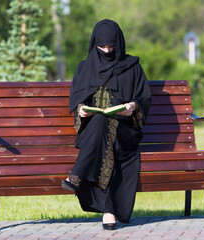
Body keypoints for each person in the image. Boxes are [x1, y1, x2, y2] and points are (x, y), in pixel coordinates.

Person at [61, 19, 152, 230]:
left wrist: (133, 107)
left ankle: (76, 176)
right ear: (95, 45)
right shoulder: (84, 68)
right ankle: (109, 211)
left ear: (118, 44)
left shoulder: (132, 67)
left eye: (111, 47)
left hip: (124, 132)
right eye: (102, 47)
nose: (107, 50)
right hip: (92, 132)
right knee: (100, 121)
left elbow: (144, 99)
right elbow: (76, 101)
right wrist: (81, 110)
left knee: (106, 130)